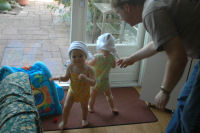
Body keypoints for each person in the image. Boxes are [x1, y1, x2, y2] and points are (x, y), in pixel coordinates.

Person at [110, 0, 200, 133]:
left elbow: (178, 57)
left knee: (191, 117)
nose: (121, 19)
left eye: (118, 14)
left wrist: (165, 91)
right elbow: (156, 43)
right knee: (183, 102)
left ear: (127, 7)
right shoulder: (152, 7)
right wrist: (131, 59)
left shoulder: (151, 12)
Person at [49, 41, 96, 129]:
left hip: (84, 93)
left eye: (80, 56)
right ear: (70, 57)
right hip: (73, 91)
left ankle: (84, 119)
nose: (77, 58)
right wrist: (57, 78)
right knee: (66, 106)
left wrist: (86, 78)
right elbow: (66, 78)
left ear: (85, 56)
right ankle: (64, 121)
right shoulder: (70, 67)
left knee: (84, 107)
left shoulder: (89, 69)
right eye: (74, 56)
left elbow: (93, 82)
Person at [88, 33, 119, 115]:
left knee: (93, 95)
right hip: (105, 82)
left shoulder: (96, 57)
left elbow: (89, 65)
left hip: (96, 81)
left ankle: (91, 107)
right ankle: (113, 108)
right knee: (109, 95)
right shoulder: (112, 57)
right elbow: (113, 66)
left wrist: (85, 61)